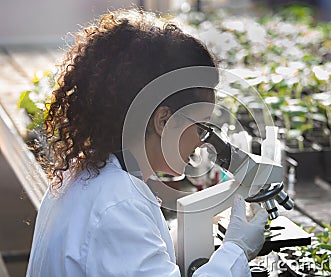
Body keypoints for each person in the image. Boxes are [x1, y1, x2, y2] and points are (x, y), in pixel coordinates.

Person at [26, 8, 268, 277]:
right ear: (164, 120)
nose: (202, 144)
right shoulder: (119, 205)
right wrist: (236, 249)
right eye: (200, 127)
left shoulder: (88, 170)